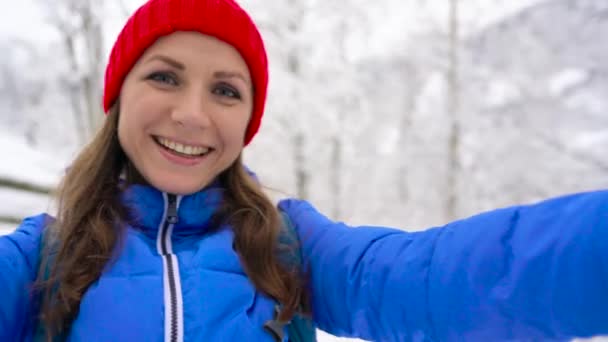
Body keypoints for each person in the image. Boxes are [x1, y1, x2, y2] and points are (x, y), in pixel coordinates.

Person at [1, 0, 607, 341]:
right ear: (119, 98)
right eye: (164, 76)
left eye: (226, 91)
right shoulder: (47, 253)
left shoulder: (287, 246)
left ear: (247, 122)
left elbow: (429, 279)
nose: (192, 114)